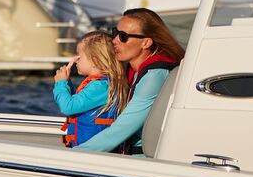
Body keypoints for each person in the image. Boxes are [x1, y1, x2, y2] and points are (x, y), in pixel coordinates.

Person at [73, 8, 184, 155]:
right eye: (115, 33)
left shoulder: (153, 77)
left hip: (140, 158)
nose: (114, 41)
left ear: (146, 43)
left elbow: (121, 129)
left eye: (123, 36)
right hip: (124, 153)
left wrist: (74, 154)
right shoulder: (132, 71)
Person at [55, 30, 132, 149]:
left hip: (90, 152)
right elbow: (79, 102)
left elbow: (68, 107)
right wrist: (67, 83)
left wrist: (61, 83)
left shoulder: (100, 86)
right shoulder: (104, 84)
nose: (75, 60)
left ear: (95, 61)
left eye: (79, 56)